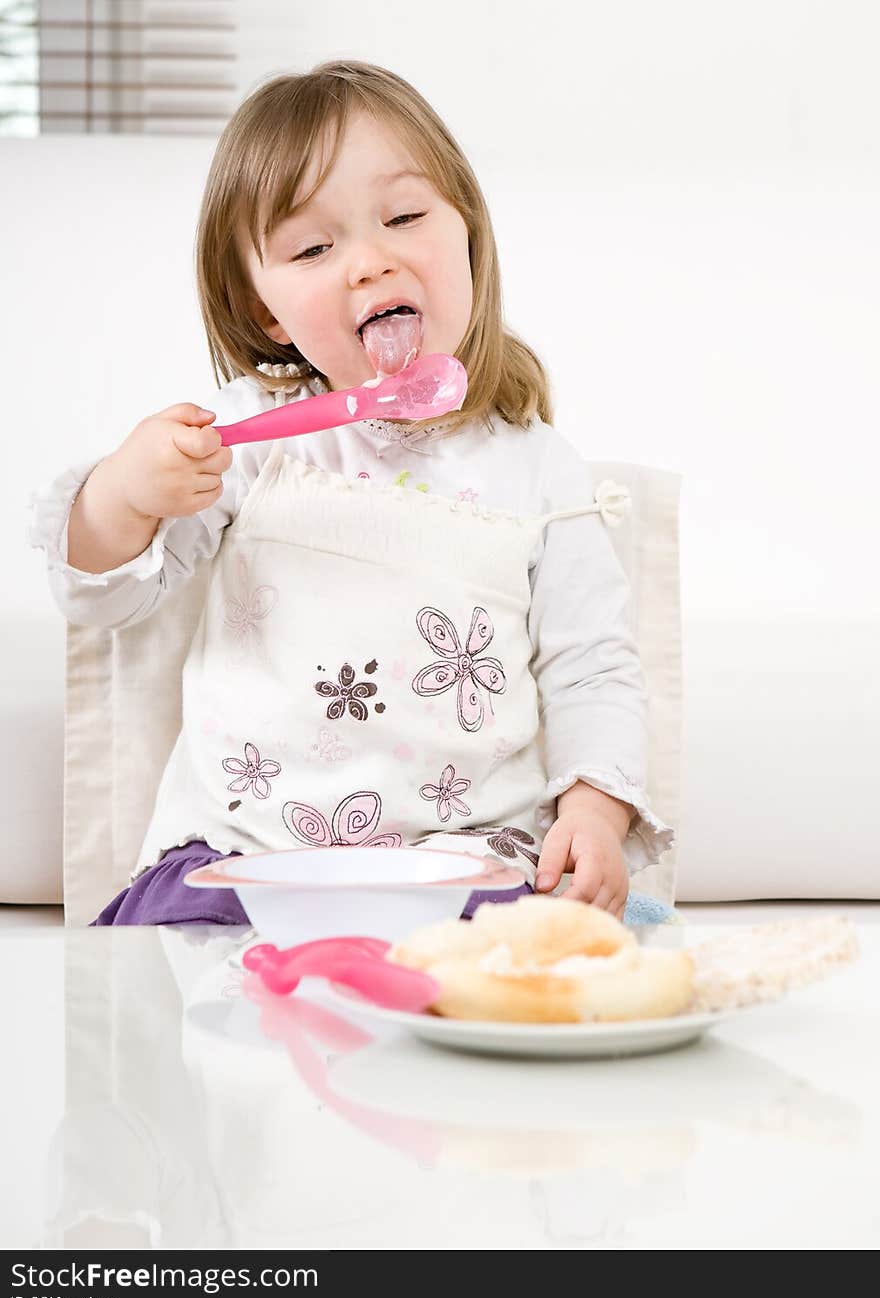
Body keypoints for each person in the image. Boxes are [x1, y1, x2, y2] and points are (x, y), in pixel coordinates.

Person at [29, 59, 674, 927]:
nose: (370, 262)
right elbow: (102, 593)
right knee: (164, 1003)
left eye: (404, 217)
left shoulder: (540, 469)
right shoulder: (245, 445)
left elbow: (592, 663)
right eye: (312, 248)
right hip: (244, 856)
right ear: (268, 316)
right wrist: (126, 493)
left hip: (467, 859)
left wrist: (595, 809)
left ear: (467, 240)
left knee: (539, 966)